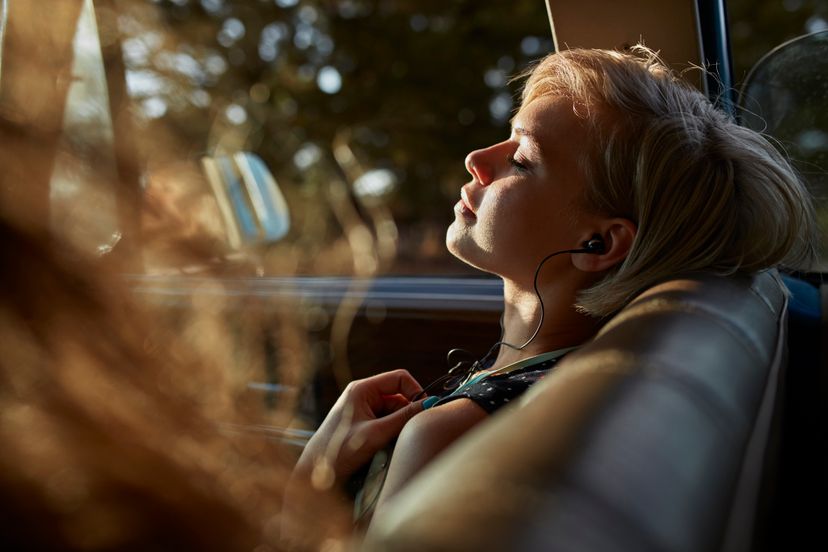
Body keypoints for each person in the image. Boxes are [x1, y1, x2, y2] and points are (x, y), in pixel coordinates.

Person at [286, 44, 817, 535]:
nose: (478, 157)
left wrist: (310, 487)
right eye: (508, 134)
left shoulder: (441, 438)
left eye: (522, 159)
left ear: (599, 244)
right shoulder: (543, 373)